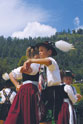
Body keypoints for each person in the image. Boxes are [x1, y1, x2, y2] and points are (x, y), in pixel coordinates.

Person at [24, 41, 61, 124]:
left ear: (49, 52)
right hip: (44, 92)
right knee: (43, 116)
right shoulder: (41, 66)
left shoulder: (51, 60)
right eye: (39, 51)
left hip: (53, 91)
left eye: (42, 50)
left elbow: (48, 61)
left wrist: (31, 60)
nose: (39, 52)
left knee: (52, 117)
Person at [5, 46, 40, 124]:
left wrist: (17, 85)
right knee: (29, 115)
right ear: (36, 55)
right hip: (31, 91)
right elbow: (30, 70)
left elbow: (11, 74)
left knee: (20, 114)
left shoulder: (31, 64)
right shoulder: (36, 64)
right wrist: (24, 69)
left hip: (23, 90)